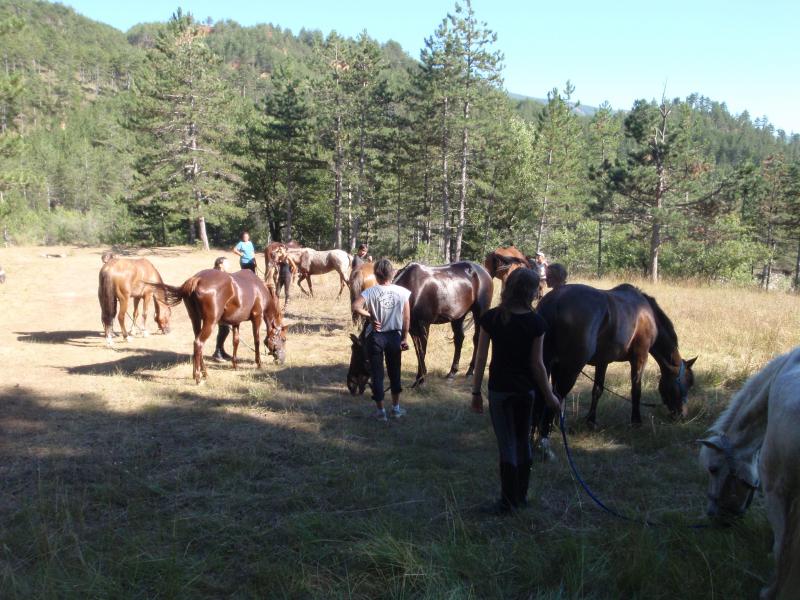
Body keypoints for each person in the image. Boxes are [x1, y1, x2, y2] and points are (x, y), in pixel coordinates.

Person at [470, 268, 563, 514]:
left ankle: (507, 502)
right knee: (523, 443)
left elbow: (480, 358)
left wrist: (475, 393)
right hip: (526, 392)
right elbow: (537, 365)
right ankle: (520, 497)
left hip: (499, 391)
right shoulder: (537, 323)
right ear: (532, 292)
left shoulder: (491, 318)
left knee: (506, 445)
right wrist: (550, 396)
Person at [351, 258, 411, 421]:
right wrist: (404, 338)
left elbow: (355, 307)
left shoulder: (370, 292)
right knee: (395, 372)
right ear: (392, 274)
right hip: (394, 336)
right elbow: (406, 318)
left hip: (376, 337)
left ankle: (380, 412)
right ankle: (396, 408)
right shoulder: (402, 292)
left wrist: (370, 316)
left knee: (377, 374)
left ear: (376, 275)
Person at [211, 256, 233, 362]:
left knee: (225, 329)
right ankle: (218, 352)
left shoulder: (225, 275)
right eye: (227, 263)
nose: (229, 266)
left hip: (224, 308)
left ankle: (220, 350)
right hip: (217, 308)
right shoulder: (215, 275)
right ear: (220, 265)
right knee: (224, 329)